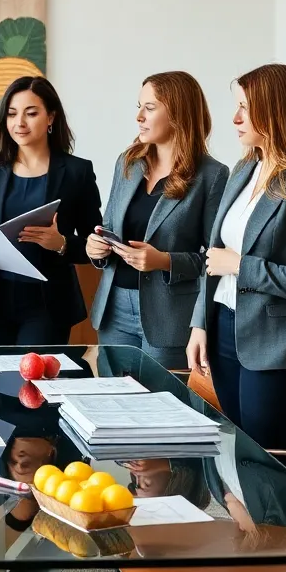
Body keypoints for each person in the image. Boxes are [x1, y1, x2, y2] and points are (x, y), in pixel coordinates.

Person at [186, 63, 286, 473]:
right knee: (238, 455)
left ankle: (281, 536)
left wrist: (242, 266)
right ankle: (249, 537)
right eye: (235, 106)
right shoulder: (243, 169)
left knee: (268, 466)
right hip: (224, 328)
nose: (235, 118)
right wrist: (200, 324)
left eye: (245, 108)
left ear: (276, 112)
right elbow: (214, 255)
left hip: (278, 348)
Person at [86, 72, 229, 370]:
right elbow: (109, 226)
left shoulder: (211, 175)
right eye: (139, 106)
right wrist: (96, 248)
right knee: (115, 406)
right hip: (115, 309)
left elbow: (215, 261)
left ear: (178, 113)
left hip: (170, 316)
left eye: (149, 108)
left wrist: (164, 261)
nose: (139, 116)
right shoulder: (127, 162)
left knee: (162, 410)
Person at [0, 76, 102, 350]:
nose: (19, 123)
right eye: (12, 114)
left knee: (37, 387)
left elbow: (96, 245)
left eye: (31, 113)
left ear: (51, 117)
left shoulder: (76, 172)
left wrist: (60, 244)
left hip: (47, 304)